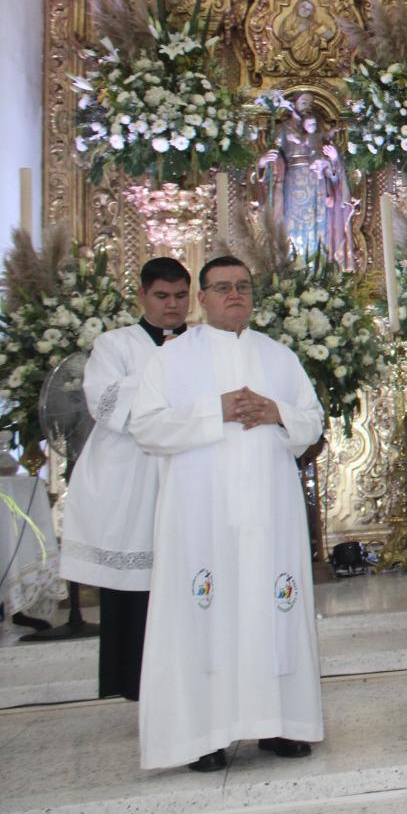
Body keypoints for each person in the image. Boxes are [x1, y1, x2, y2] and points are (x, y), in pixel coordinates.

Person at [129, 256, 326, 772]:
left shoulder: (278, 356)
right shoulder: (172, 360)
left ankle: (277, 724)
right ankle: (205, 734)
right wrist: (213, 411)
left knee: (271, 610)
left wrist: (276, 412)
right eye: (222, 288)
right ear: (202, 297)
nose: (234, 295)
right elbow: (146, 428)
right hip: (201, 515)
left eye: (242, 286)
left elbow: (311, 421)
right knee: (206, 616)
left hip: (269, 510)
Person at [60, 257, 191, 700]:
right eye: (161, 296)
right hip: (132, 474)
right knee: (135, 583)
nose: (171, 305)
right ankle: (131, 684)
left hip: (188, 471)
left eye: (179, 296)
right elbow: (107, 402)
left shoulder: (207, 344)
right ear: (142, 296)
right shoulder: (114, 345)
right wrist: (168, 376)